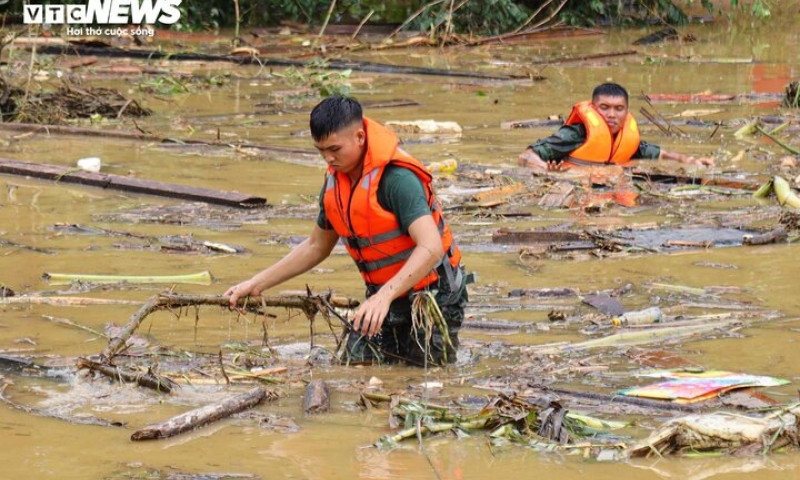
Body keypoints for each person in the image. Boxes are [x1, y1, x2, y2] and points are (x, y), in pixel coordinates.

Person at [226, 96, 468, 366]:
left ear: (360, 136)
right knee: (353, 367)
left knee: (424, 377)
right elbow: (316, 246)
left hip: (433, 295)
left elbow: (431, 246)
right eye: (320, 151)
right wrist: (256, 283)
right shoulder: (334, 182)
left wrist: (383, 297)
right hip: (384, 294)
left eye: (334, 149)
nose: (328, 158)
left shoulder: (397, 179)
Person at [517, 83, 715, 172]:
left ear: (627, 111)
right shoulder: (576, 134)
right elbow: (525, 157)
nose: (612, 115)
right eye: (605, 108)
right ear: (594, 108)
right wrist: (545, 170)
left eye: (619, 109)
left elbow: (661, 154)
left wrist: (693, 161)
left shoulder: (626, 140)